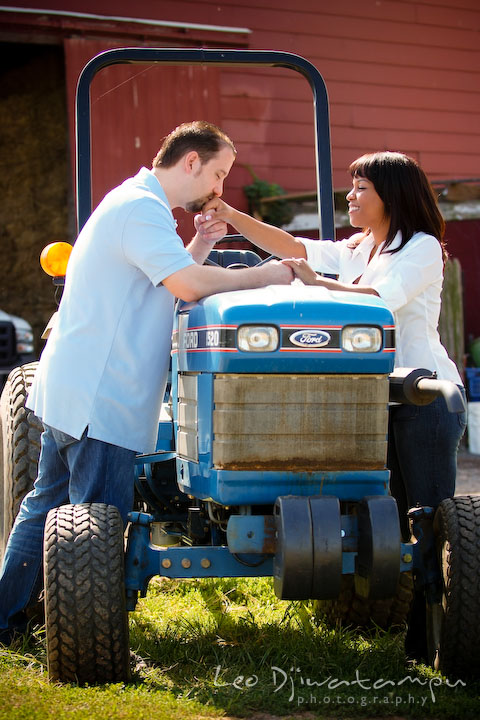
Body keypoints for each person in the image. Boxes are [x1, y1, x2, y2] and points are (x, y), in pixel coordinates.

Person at [0, 120, 293, 644]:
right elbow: (186, 285)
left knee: (45, 505)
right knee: (97, 527)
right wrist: (267, 274)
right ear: (190, 162)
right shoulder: (142, 208)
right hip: (100, 397)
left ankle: (8, 619)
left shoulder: (137, 202)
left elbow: (162, 282)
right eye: (219, 173)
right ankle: (86, 639)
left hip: (76, 387)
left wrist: (199, 245)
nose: (220, 189)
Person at [198, 151, 467, 660]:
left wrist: (317, 285)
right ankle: (411, 631)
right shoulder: (360, 248)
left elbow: (380, 300)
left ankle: (442, 639)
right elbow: (294, 246)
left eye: (361, 187)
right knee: (391, 513)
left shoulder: (422, 247)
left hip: (420, 394)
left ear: (393, 194)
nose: (351, 196)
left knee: (430, 519)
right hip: (370, 399)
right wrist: (231, 217)